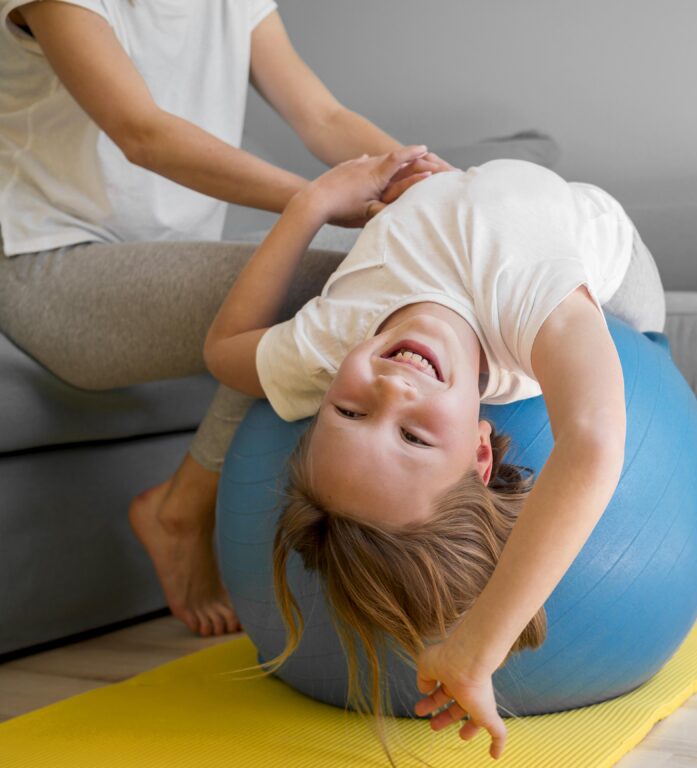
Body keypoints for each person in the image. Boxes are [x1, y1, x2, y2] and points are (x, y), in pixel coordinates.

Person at [204, 156, 677, 761]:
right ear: (482, 450)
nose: (389, 390)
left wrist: (311, 206)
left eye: (348, 412)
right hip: (610, 261)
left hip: (475, 200)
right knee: (645, 368)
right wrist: (478, 646)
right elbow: (593, 440)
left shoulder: (329, 340)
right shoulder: (521, 290)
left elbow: (223, 354)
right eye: (414, 438)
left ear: (324, 395)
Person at [0, 0, 448, 637]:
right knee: (329, 286)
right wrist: (318, 199)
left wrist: (433, 183)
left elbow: (321, 116)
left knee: (383, 268)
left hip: (158, 263)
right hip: (52, 268)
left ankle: (183, 505)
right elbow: (141, 133)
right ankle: (181, 510)